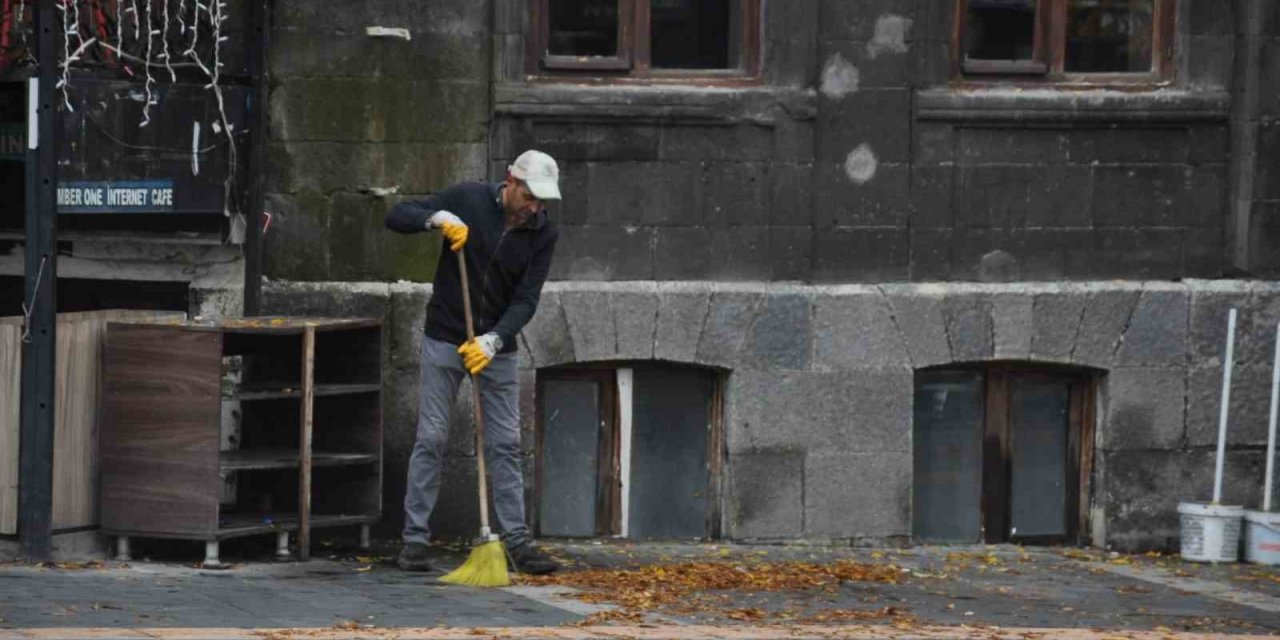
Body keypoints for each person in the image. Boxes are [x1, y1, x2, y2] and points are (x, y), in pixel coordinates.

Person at [384, 150, 562, 575]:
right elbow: (397, 214)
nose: (535, 207)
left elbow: (526, 299)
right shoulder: (467, 199)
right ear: (510, 182)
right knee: (431, 438)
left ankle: (517, 542)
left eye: (543, 201)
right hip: (445, 334)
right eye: (530, 197)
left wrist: (494, 339)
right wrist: (437, 219)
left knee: (505, 445)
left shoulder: (543, 233)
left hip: (495, 346)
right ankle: (414, 541)